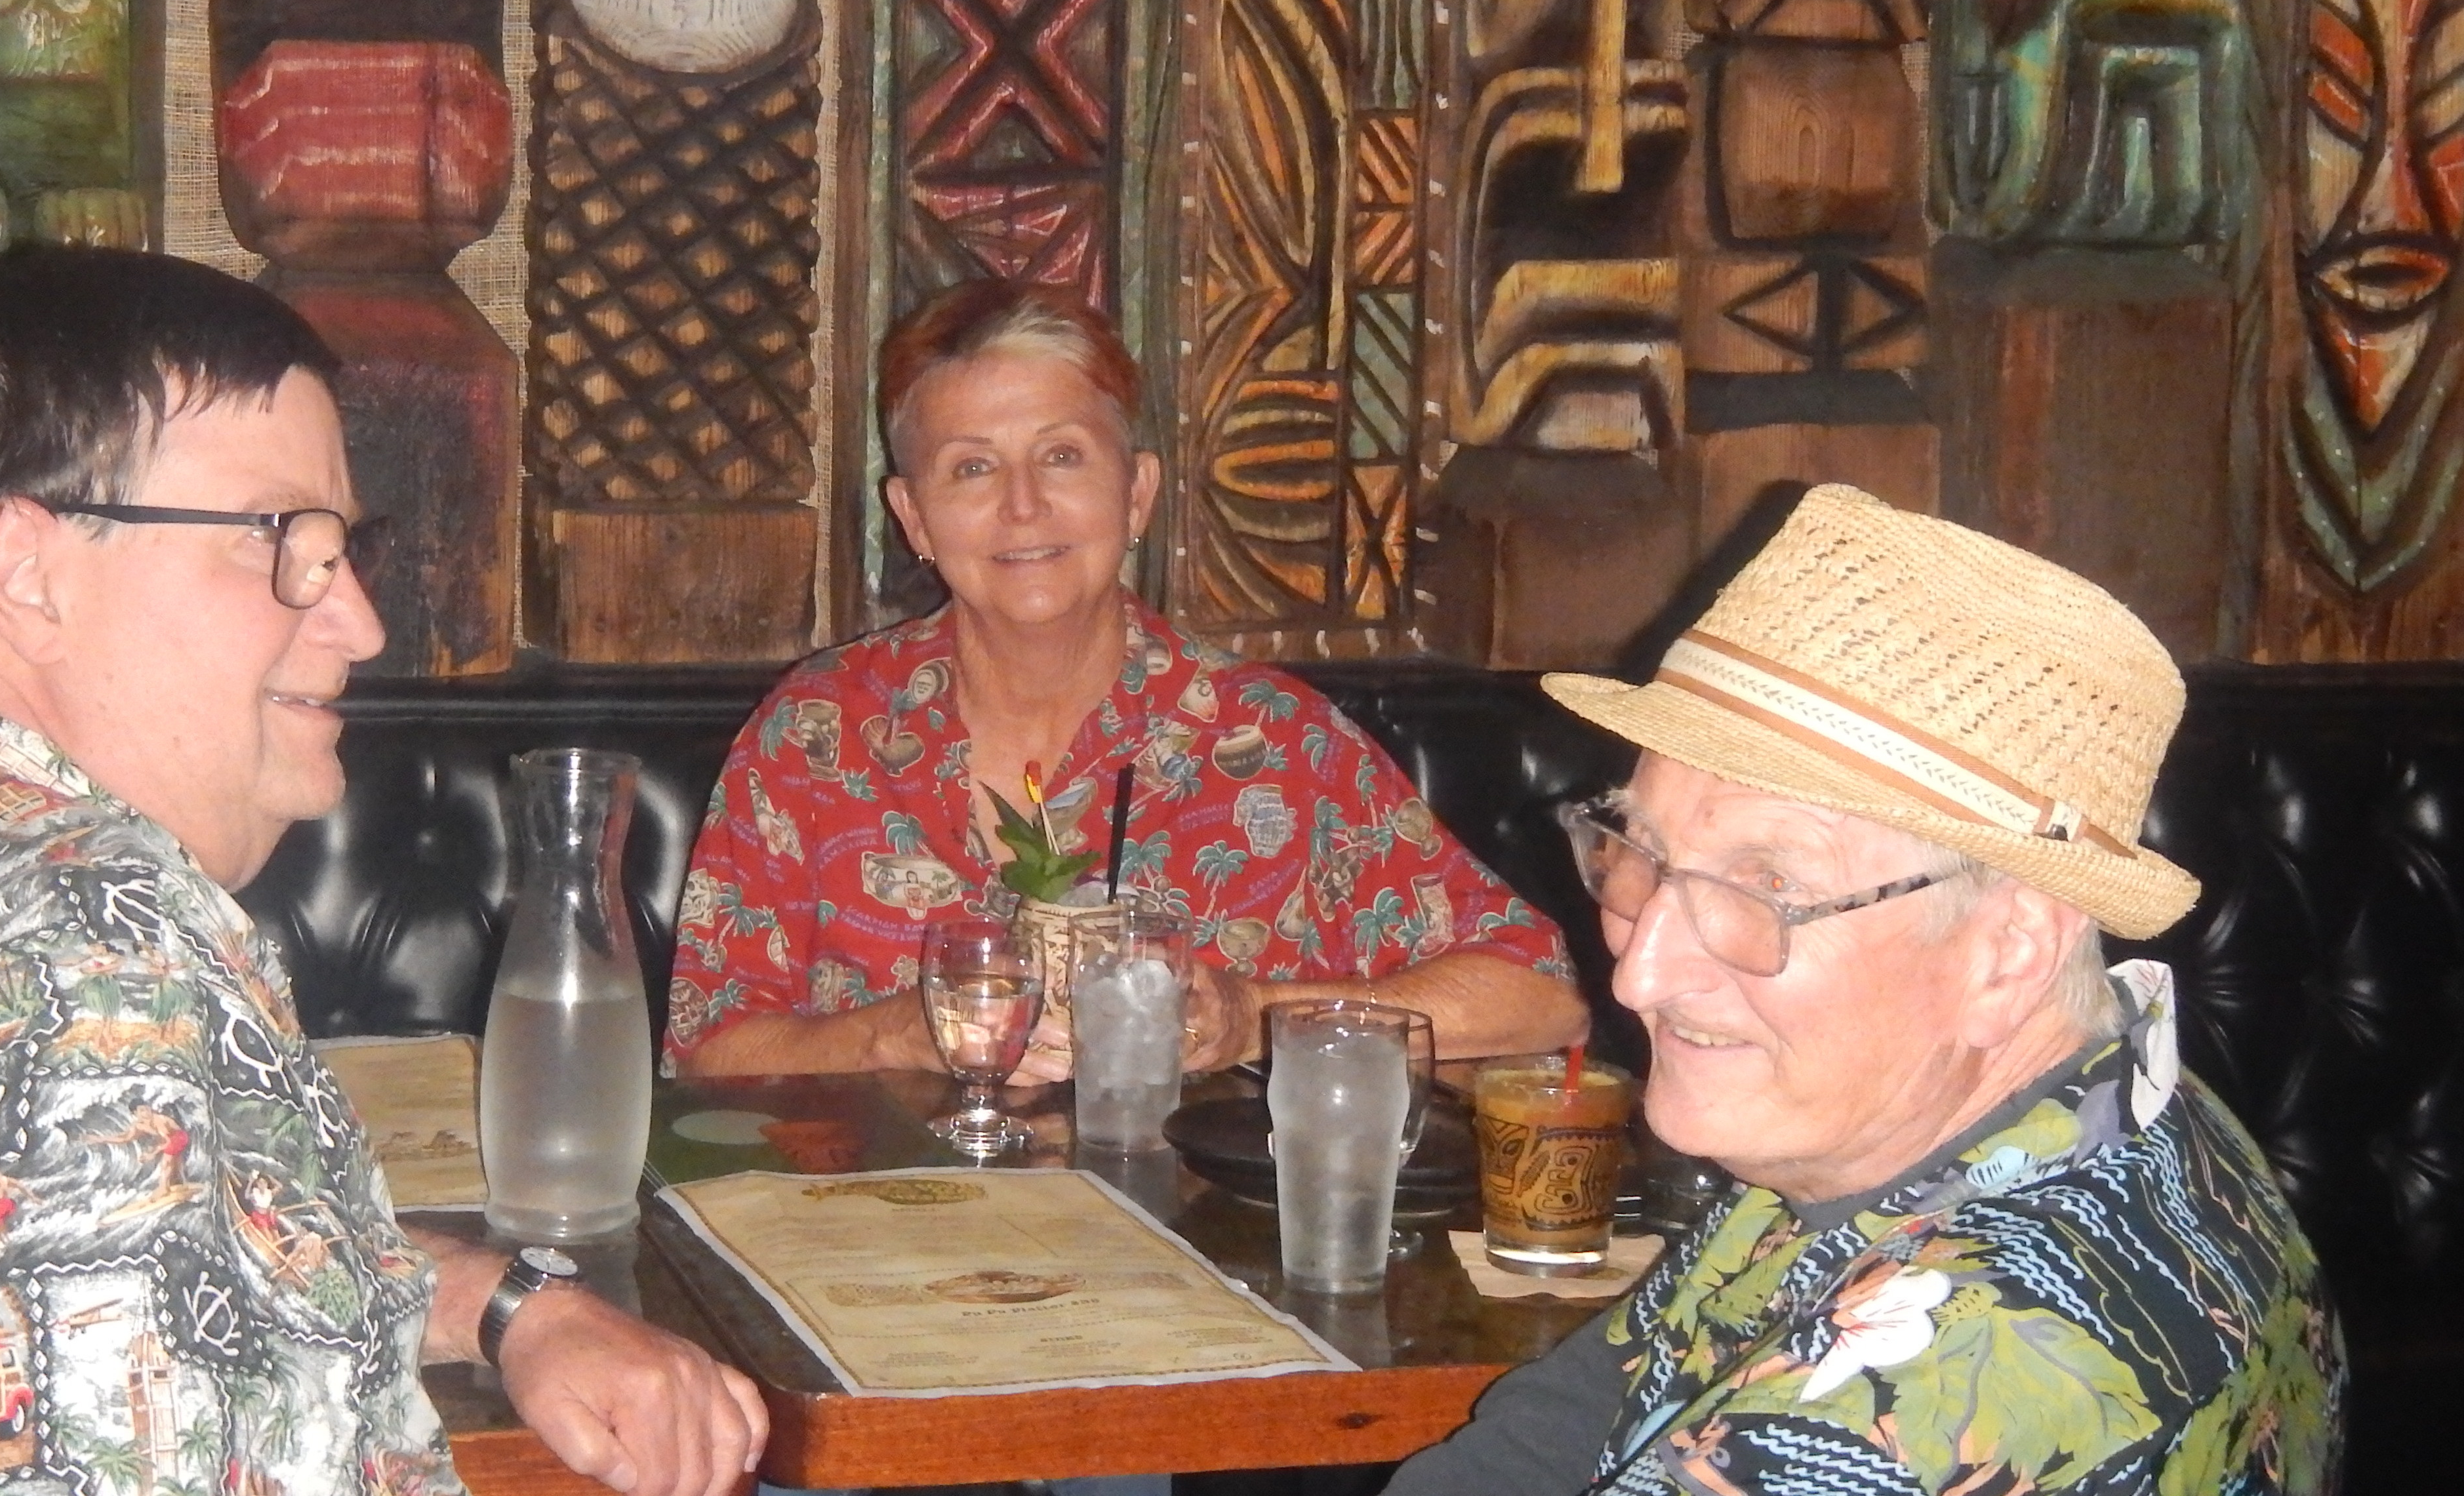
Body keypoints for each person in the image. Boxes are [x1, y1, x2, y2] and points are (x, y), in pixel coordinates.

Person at [0, 247, 766, 1496]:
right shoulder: (70, 949)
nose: (360, 623)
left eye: (341, 550)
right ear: (26, 574)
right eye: (280, 539)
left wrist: (506, 1304)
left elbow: (203, 1254)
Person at [1386, 484, 2341, 1496]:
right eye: (1638, 855)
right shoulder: (2096, 1102)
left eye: (1767, 888)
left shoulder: (1896, 1419)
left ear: (2010, 950)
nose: (1640, 973)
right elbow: (1585, 1410)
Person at [668, 277, 1583, 1080]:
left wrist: (1252, 1017)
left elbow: (1539, 997)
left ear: (1137, 493)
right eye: (972, 468)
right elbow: (709, 1045)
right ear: (914, 517)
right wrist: (891, 1037)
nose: (1023, 505)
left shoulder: (1271, 740)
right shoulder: (820, 731)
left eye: (1062, 455)